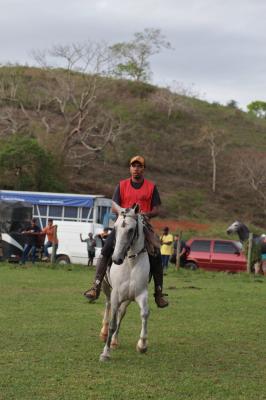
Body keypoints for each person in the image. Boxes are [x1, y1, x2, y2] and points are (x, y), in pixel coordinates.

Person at [83, 155, 169, 308]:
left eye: (139, 166)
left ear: (143, 169)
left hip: (143, 225)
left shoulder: (151, 187)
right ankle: (96, 286)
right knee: (106, 250)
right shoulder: (122, 185)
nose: (136, 168)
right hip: (123, 225)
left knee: (156, 252)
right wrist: (122, 210)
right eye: (133, 166)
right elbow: (114, 205)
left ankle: (159, 293)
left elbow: (157, 209)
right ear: (130, 168)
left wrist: (146, 214)